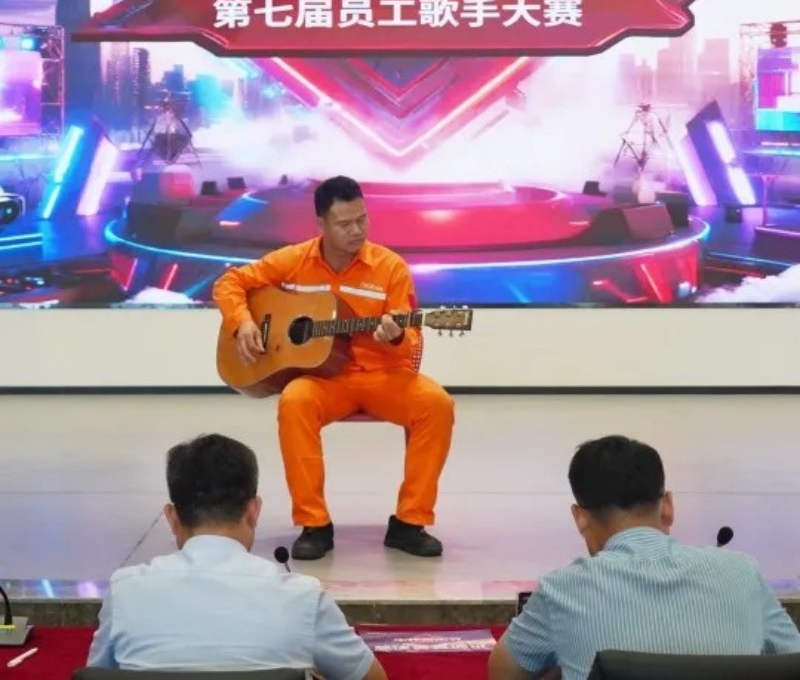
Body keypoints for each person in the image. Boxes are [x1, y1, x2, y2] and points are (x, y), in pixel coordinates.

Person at [212, 175, 455, 561]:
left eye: (362, 219)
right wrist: (242, 321)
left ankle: (410, 522)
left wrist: (394, 335)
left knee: (437, 404)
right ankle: (314, 524)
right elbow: (230, 283)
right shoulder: (294, 259)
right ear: (320, 224)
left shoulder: (390, 267)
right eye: (344, 224)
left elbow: (409, 337)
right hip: (323, 377)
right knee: (295, 401)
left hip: (384, 375)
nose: (357, 230)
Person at [489, 435, 800, 680]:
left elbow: (503, 673)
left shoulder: (561, 590)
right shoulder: (742, 573)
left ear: (580, 517)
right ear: (668, 506)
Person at [86, 433, 386, 678]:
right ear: (253, 511)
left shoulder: (126, 591)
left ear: (172, 517)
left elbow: (96, 675)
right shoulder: (302, 597)